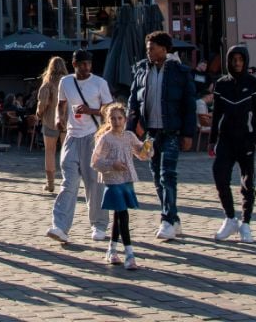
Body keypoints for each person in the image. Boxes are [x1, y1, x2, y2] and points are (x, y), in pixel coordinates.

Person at [128, 31, 196, 240]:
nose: (148, 51)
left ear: (164, 49)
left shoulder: (179, 72)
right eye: (147, 48)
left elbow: (189, 104)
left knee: (168, 174)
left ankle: (166, 219)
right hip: (151, 133)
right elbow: (134, 102)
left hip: (172, 131)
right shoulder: (141, 70)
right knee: (156, 176)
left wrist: (188, 133)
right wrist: (131, 131)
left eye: (152, 48)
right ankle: (173, 218)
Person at [46, 49, 112, 244]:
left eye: (88, 64)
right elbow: (61, 103)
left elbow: (110, 109)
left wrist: (90, 110)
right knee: (69, 181)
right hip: (72, 137)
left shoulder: (100, 83)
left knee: (94, 182)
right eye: (82, 64)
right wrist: (59, 118)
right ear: (74, 64)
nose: (86, 67)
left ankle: (98, 225)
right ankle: (60, 226)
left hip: (94, 136)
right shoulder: (66, 82)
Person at [209, 46, 256, 243]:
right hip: (226, 139)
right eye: (233, 59)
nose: (237, 63)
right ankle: (230, 217)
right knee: (220, 176)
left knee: (247, 182)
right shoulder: (221, 84)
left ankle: (246, 223)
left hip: (246, 139)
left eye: (240, 59)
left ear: (246, 60)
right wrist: (212, 140)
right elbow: (216, 113)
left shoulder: (254, 84)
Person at [90, 102, 143, 270]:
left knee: (119, 216)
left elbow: (141, 153)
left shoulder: (129, 136)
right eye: (113, 118)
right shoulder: (105, 138)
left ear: (125, 119)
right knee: (123, 214)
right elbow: (95, 161)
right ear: (108, 120)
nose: (117, 121)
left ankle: (112, 250)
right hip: (113, 180)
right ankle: (129, 253)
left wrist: (148, 147)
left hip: (126, 179)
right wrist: (112, 164)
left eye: (119, 118)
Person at [35, 56, 68, 193]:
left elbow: (42, 103)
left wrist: (38, 113)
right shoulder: (69, 82)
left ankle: (50, 183)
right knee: (67, 152)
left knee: (50, 151)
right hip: (67, 121)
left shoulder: (47, 83)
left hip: (50, 120)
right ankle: (68, 181)